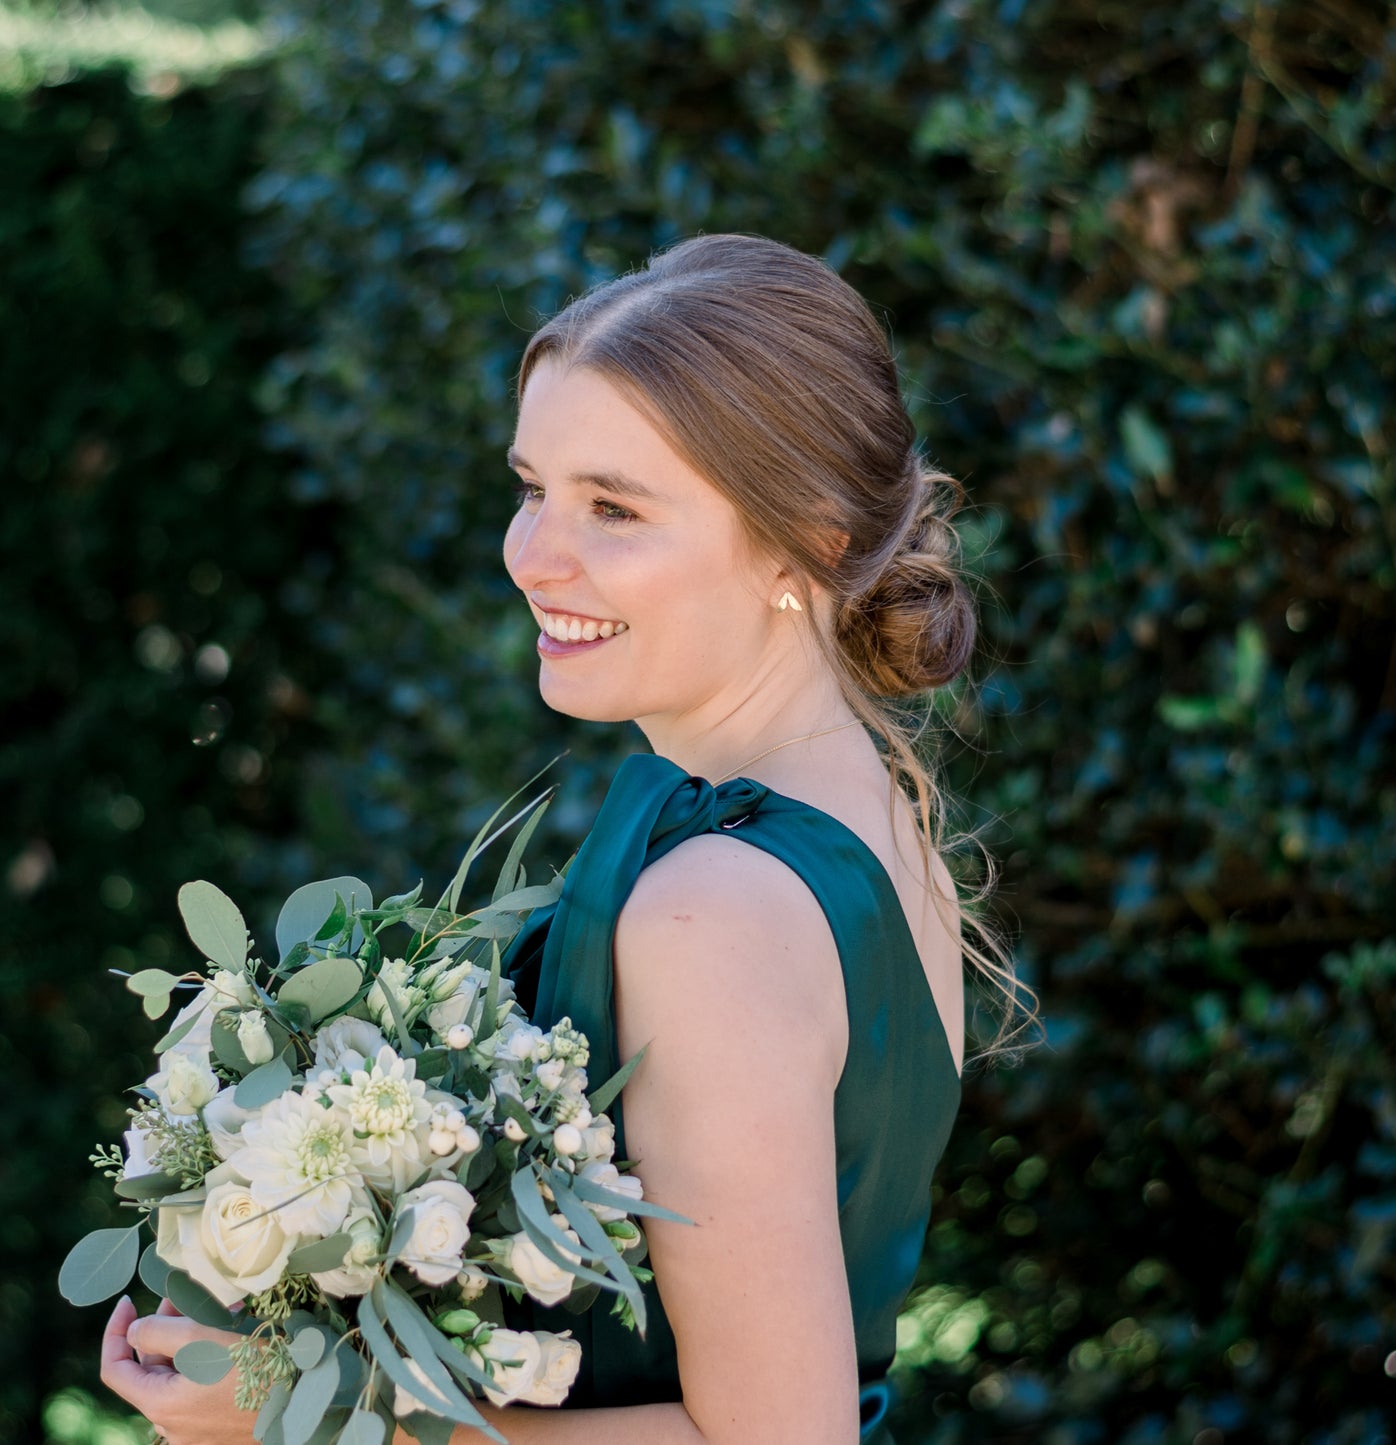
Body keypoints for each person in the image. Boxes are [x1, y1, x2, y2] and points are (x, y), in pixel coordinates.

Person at [101, 233, 1028, 1444]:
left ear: (807, 539)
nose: (533, 556)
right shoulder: (855, 810)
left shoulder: (718, 906)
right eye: (533, 486)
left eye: (614, 507)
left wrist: (325, 1407)